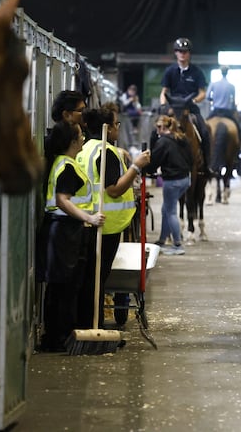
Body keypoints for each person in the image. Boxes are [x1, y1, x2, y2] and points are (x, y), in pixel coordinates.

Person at [77, 104, 151, 328]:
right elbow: (114, 189)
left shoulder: (85, 148)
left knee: (90, 279)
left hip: (86, 220)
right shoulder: (105, 152)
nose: (118, 129)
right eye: (117, 124)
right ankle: (94, 326)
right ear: (108, 129)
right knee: (97, 280)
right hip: (105, 226)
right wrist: (136, 167)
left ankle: (88, 323)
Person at [36, 120, 105, 352]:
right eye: (80, 134)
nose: (83, 137)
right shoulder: (65, 166)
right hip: (65, 232)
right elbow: (62, 200)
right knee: (64, 287)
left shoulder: (65, 163)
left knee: (62, 287)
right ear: (72, 141)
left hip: (66, 231)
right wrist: (90, 218)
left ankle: (57, 337)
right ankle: (59, 338)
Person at [159, 37, 212, 172]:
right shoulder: (170, 71)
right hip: (173, 108)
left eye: (185, 51)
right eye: (179, 51)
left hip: (190, 107)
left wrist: (193, 101)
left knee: (205, 132)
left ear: (189, 53)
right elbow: (164, 91)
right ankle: (154, 163)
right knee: (156, 131)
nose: (182, 54)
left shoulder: (197, 72)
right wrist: (163, 106)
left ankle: (207, 165)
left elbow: (202, 93)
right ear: (176, 53)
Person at [145, 114, 193, 255]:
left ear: (162, 127)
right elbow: (191, 159)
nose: (157, 131)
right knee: (166, 209)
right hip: (185, 179)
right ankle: (161, 240)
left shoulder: (163, 142)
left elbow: (154, 161)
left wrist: (147, 170)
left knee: (171, 211)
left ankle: (177, 244)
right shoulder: (182, 138)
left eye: (158, 128)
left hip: (172, 181)